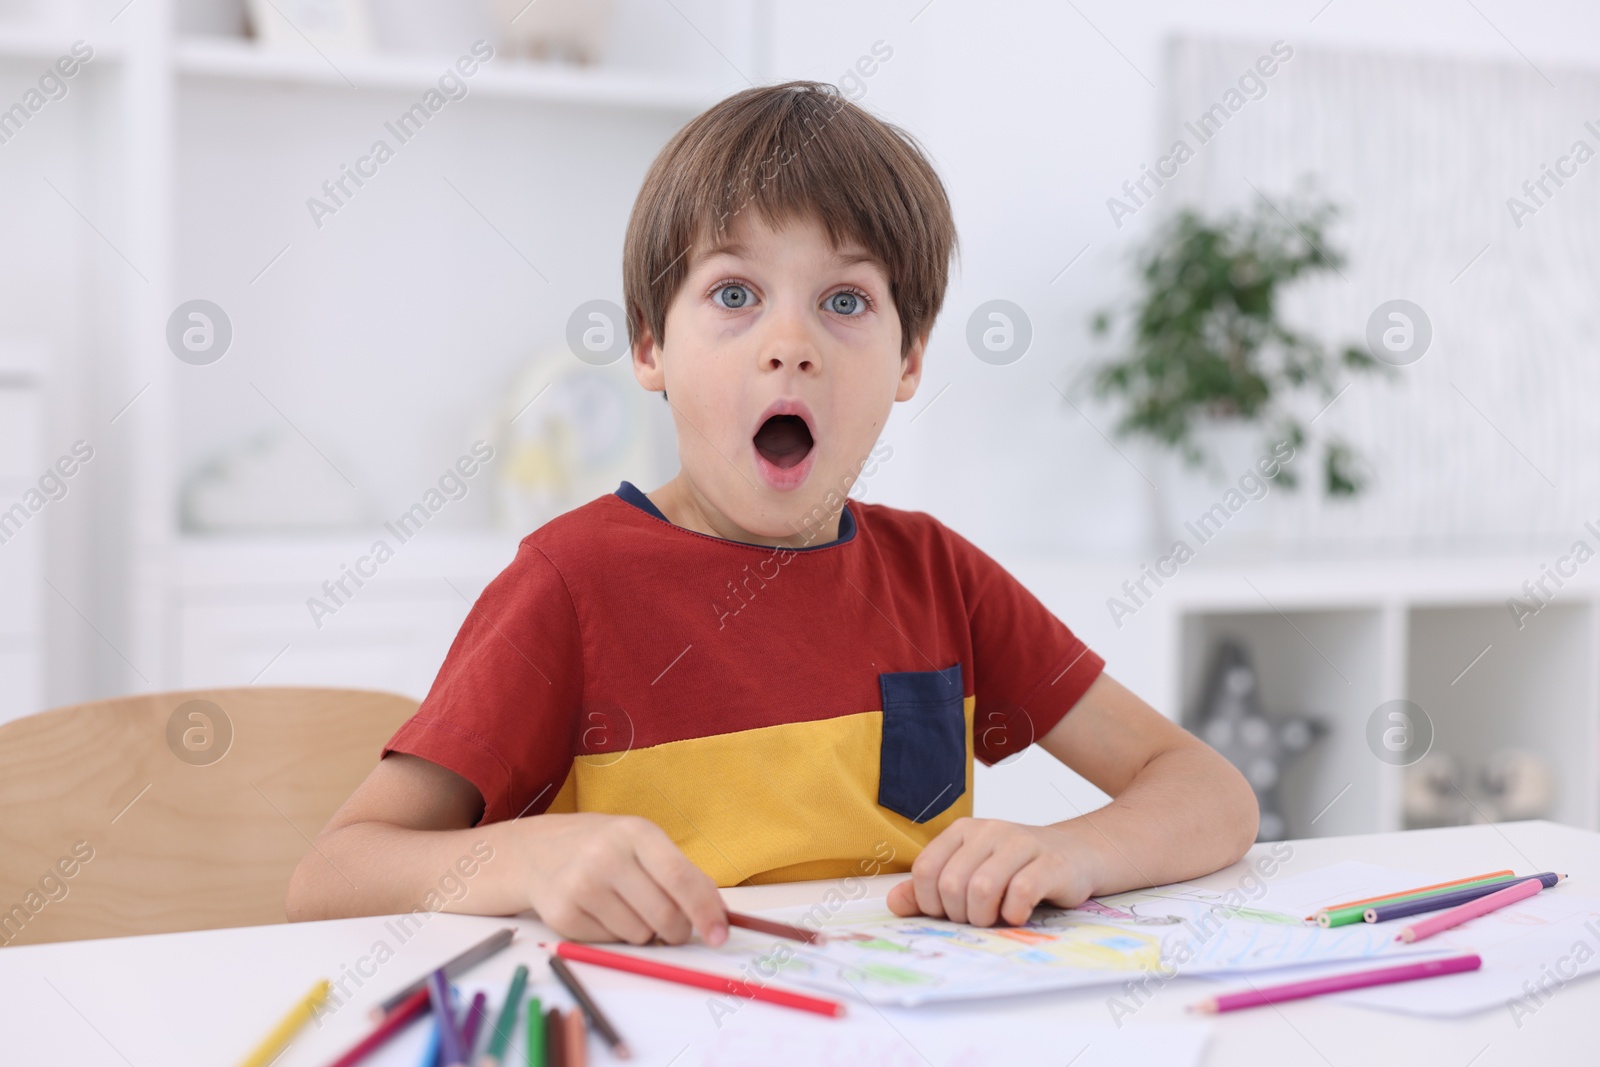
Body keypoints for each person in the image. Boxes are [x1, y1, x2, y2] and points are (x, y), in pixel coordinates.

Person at [286, 81, 1258, 946]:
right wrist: (530, 858)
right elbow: (332, 876)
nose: (790, 344)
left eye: (844, 299)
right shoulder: (568, 586)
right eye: (735, 292)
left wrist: (1069, 852)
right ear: (649, 349)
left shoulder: (938, 574)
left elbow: (1209, 792)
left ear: (910, 358)